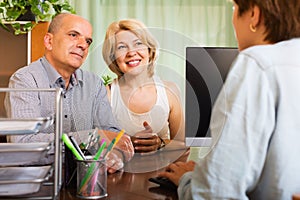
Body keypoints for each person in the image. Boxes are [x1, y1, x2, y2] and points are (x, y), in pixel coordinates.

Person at [159, 0, 300, 199]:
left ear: (254, 15)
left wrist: (189, 179)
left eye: (234, 9)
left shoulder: (257, 64)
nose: (232, 19)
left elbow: (215, 193)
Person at [4, 13, 134, 173]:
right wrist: (90, 137)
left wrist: (116, 154)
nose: (83, 45)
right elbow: (23, 145)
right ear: (49, 41)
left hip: (87, 182)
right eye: (73, 35)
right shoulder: (25, 80)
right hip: (42, 184)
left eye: (88, 41)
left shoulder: (94, 84)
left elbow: (112, 134)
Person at [102, 19, 185, 154]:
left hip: (162, 174)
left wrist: (160, 143)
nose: (131, 52)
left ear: (149, 50)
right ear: (113, 57)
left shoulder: (170, 91)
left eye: (138, 44)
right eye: (121, 47)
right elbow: (99, 146)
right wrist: (125, 144)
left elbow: (182, 144)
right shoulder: (107, 94)